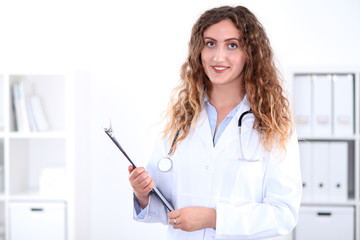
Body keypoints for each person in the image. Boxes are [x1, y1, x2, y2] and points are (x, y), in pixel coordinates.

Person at [128, 5, 302, 240]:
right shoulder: (181, 118)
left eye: (232, 45)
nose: (218, 56)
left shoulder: (273, 122)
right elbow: (167, 206)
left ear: (250, 52)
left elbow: (284, 213)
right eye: (210, 43)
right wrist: (143, 195)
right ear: (199, 50)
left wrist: (214, 218)